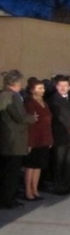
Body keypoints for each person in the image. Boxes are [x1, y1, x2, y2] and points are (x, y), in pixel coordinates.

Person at [0, 70, 37, 209]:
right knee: (12, 172)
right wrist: (32, 118)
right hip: (14, 140)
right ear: (15, 82)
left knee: (5, 171)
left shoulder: (2, 94)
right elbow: (20, 117)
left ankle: (5, 197)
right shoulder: (13, 96)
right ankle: (9, 199)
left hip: (5, 139)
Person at [49, 75, 70, 194]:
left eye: (65, 86)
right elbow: (58, 116)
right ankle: (59, 187)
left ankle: (69, 185)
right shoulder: (54, 99)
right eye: (60, 85)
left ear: (69, 87)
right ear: (56, 87)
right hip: (61, 134)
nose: (63, 88)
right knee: (60, 162)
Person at [22, 78, 52, 201]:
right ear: (32, 90)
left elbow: (48, 121)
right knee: (31, 166)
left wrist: (50, 139)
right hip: (34, 138)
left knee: (38, 165)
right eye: (39, 88)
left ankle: (35, 189)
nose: (42, 90)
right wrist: (30, 142)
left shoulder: (44, 102)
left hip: (44, 137)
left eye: (43, 88)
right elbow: (30, 123)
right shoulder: (29, 103)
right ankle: (28, 191)